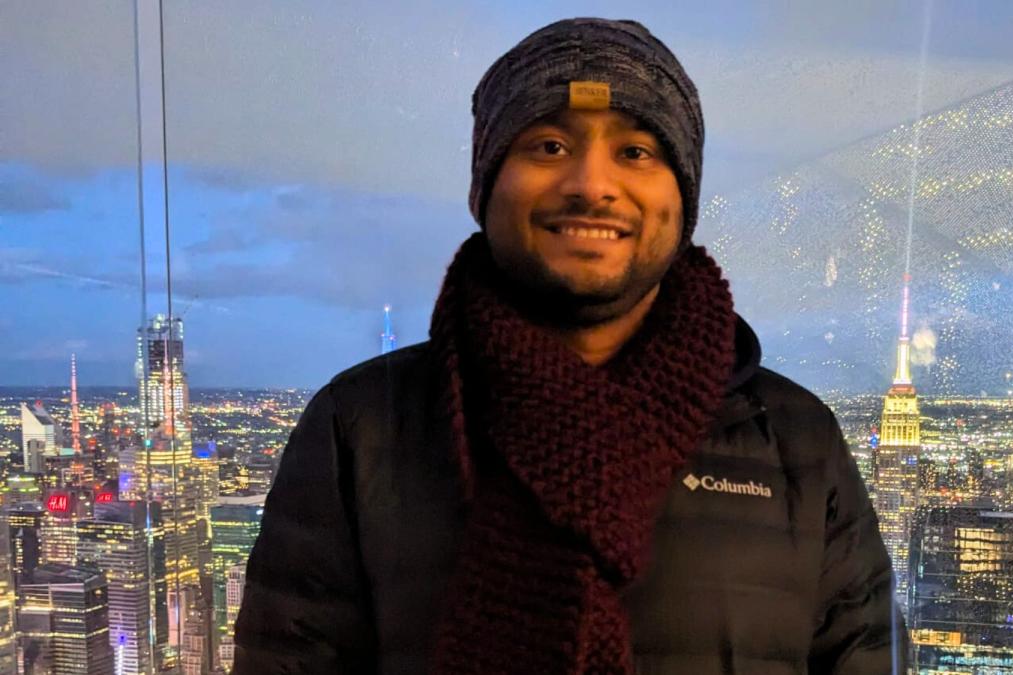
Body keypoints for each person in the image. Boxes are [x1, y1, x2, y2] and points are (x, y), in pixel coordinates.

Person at [233, 17, 907, 675]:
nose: (590, 184)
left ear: (684, 195)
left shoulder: (794, 438)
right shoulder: (363, 425)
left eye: (635, 151)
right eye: (549, 146)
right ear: (486, 185)